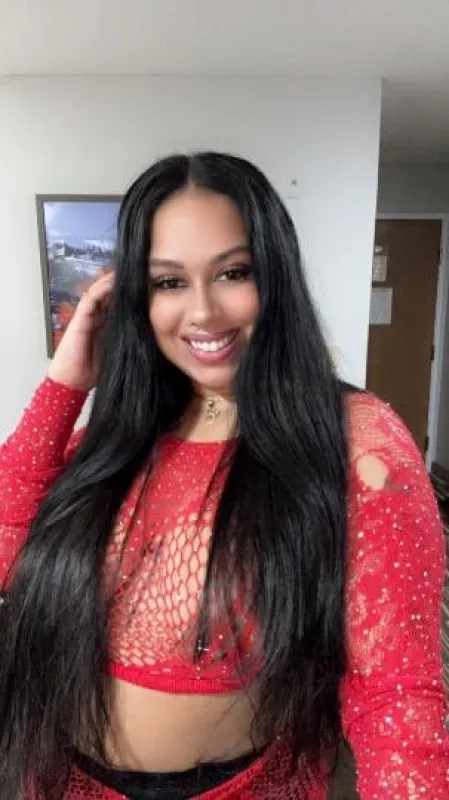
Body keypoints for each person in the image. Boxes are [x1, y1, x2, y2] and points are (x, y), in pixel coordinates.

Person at [0, 152, 447, 800]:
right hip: (65, 780)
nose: (203, 312)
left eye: (233, 273)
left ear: (275, 277)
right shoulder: (125, 433)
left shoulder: (355, 440)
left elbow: (396, 694)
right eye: (168, 282)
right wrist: (65, 384)